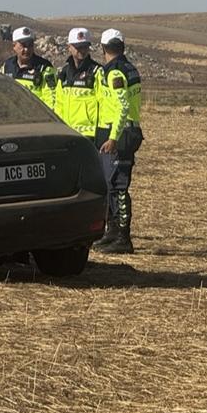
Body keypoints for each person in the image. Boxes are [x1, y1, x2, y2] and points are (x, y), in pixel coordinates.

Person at [94, 28, 143, 254]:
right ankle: (113, 232)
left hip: (121, 134)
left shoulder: (114, 73)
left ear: (103, 48)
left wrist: (113, 138)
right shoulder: (130, 69)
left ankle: (123, 237)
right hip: (126, 131)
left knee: (119, 186)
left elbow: (122, 106)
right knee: (112, 186)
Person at [54, 27, 102, 140]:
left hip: (89, 134)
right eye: (78, 47)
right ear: (69, 47)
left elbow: (103, 104)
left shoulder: (96, 71)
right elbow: (59, 104)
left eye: (85, 46)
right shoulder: (64, 72)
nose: (82, 50)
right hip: (66, 133)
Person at [0, 26, 56, 109]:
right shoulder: (7, 66)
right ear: (14, 46)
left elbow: (51, 99)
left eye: (30, 45)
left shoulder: (44, 68)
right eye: (23, 45)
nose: (26, 49)